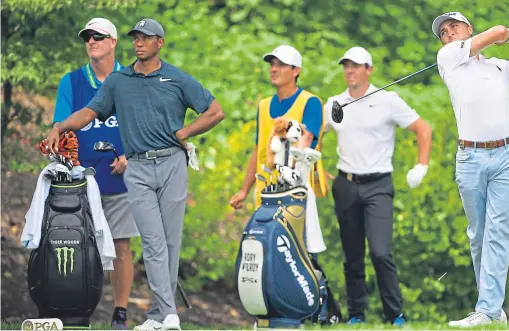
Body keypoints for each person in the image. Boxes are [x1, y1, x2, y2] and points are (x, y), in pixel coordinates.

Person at [45, 18, 226, 331]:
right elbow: (90, 112)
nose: (139, 43)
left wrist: (185, 132)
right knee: (154, 240)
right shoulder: (120, 81)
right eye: (135, 38)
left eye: (146, 38)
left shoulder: (177, 79)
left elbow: (215, 111)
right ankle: (168, 315)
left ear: (160, 43)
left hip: (172, 165)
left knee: (170, 243)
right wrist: (60, 126)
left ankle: (160, 315)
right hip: (139, 169)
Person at [431, 11, 509, 327]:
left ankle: (487, 310)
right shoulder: (448, 58)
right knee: (479, 235)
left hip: (508, 156)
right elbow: (496, 30)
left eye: (454, 27)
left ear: (468, 28)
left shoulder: (499, 67)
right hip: (470, 159)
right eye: (443, 32)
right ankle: (492, 309)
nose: (448, 34)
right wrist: (503, 32)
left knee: (498, 233)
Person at [322, 46, 433, 326]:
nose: (350, 71)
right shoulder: (334, 103)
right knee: (353, 256)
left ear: (369, 70)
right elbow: (314, 135)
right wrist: (316, 170)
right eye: (346, 65)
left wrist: (421, 165)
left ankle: (395, 315)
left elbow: (423, 128)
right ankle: (356, 315)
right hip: (345, 184)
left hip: (378, 185)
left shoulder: (388, 100)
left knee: (380, 252)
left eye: (356, 66)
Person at [52, 17, 139, 330]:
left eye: (99, 37)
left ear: (113, 42)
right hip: (78, 180)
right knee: (75, 244)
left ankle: (120, 313)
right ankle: (75, 308)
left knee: (121, 246)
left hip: (120, 178)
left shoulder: (131, 80)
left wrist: (131, 156)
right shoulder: (71, 81)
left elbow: (144, 129)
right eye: (87, 37)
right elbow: (60, 126)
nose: (92, 42)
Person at [229, 44, 327, 254]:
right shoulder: (264, 105)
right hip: (265, 194)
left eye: (281, 65)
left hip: (295, 193)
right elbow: (259, 149)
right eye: (272, 64)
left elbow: (307, 139)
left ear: (296, 70)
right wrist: (244, 190)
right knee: (266, 256)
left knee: (295, 255)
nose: (274, 69)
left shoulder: (310, 103)